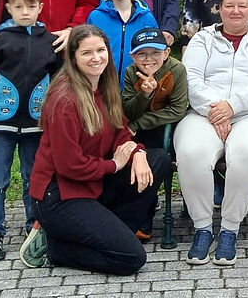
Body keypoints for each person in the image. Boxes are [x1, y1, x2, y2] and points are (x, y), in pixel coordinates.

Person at [20, 25, 170, 275]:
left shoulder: (105, 86)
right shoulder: (64, 100)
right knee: (131, 258)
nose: (96, 57)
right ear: (73, 58)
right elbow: (69, 165)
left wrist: (138, 154)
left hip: (94, 183)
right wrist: (114, 165)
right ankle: (55, 247)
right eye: (87, 53)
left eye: (101, 50)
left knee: (158, 160)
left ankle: (108, 231)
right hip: (60, 195)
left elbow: (121, 131)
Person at [176, 0, 248, 265]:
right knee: (191, 152)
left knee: (246, 152)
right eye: (229, 5)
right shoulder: (202, 39)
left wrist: (232, 106)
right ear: (219, 9)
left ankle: (229, 229)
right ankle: (202, 227)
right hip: (203, 113)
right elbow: (190, 78)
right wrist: (217, 110)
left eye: (242, 6)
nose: (235, 11)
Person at [0, 0, 62, 261]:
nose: (24, 12)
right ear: (9, 7)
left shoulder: (50, 41)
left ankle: (33, 225)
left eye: (30, 6)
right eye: (18, 7)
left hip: (36, 125)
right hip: (2, 125)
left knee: (32, 177)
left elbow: (58, 82)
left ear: (40, 7)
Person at [121, 27, 188, 241]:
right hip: (140, 128)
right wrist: (145, 94)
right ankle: (139, 212)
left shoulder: (177, 70)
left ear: (167, 53)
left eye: (155, 53)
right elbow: (128, 110)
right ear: (133, 56)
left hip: (168, 125)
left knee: (159, 152)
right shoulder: (131, 72)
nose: (148, 59)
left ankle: (143, 214)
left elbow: (177, 109)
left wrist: (140, 122)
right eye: (142, 54)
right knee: (133, 150)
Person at [87, 0, 158, 88]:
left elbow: (155, 54)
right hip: (103, 89)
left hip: (136, 89)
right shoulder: (96, 17)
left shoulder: (146, 18)